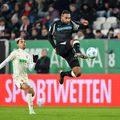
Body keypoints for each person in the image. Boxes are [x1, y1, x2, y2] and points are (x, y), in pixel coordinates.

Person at [48, 10, 88, 85]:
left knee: (77, 72)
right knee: (74, 41)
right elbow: (49, 37)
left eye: (69, 18)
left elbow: (82, 26)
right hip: (60, 47)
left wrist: (86, 25)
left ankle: (63, 74)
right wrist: (54, 47)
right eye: (66, 18)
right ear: (61, 17)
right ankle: (78, 52)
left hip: (68, 50)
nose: (68, 20)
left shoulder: (71, 23)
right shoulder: (55, 24)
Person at [0, 38, 38, 114]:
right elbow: (6, 61)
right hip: (17, 77)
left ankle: (31, 110)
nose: (24, 43)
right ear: (18, 44)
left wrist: (34, 62)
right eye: (21, 42)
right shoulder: (15, 53)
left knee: (32, 93)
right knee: (27, 88)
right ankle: (31, 110)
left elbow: (30, 69)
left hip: (25, 77)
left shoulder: (28, 55)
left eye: (24, 42)